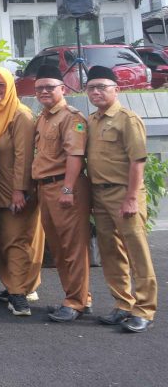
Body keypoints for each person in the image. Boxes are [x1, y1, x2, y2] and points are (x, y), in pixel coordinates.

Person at [85, 65, 158, 334]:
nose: (96, 91)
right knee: (110, 252)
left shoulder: (128, 119)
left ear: (116, 89)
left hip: (124, 193)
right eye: (92, 87)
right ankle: (123, 304)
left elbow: (138, 161)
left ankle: (144, 309)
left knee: (137, 251)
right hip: (100, 194)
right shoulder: (92, 120)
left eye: (102, 86)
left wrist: (131, 198)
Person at [33, 64, 92, 323]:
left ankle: (76, 302)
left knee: (73, 247)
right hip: (46, 188)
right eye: (39, 88)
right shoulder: (44, 116)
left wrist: (67, 189)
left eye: (49, 87)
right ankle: (78, 297)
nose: (44, 91)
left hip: (65, 187)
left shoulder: (71, 117)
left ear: (63, 88)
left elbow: (75, 155)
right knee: (58, 248)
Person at [0, 67, 43, 317]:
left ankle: (19, 295)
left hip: (14, 191)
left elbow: (24, 156)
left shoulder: (20, 115)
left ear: (10, 87)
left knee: (15, 242)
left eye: (1, 85)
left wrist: (20, 190)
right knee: (3, 241)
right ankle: (13, 286)